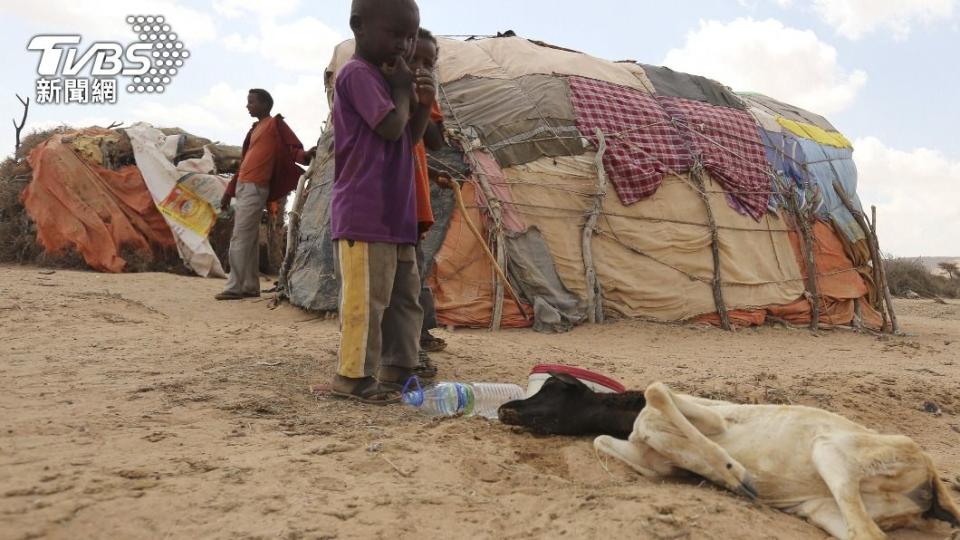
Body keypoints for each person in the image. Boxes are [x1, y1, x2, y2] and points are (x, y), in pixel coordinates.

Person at [330, 0, 435, 404]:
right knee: (367, 302)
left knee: (404, 299)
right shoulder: (358, 74)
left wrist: (422, 106)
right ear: (358, 25)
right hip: (365, 212)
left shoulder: (386, 77)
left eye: (411, 36)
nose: (405, 45)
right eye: (396, 34)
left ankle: (400, 366)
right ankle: (352, 377)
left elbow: (408, 139)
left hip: (396, 214)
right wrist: (402, 89)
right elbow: (391, 129)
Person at [215, 89, 316, 301]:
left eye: (251, 102)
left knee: (240, 235)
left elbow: (292, 148)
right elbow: (244, 163)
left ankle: (234, 286)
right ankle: (250, 286)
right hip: (244, 184)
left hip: (256, 186)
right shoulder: (253, 130)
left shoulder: (275, 124)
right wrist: (229, 191)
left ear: (264, 104)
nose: (247, 106)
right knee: (249, 237)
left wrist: (305, 156)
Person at [410, 28, 446, 379]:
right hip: (384, 201)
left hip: (414, 199)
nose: (420, 68)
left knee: (413, 272)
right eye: (414, 59)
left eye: (428, 63)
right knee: (396, 279)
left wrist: (425, 102)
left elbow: (432, 141)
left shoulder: (424, 95)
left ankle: (416, 338)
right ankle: (404, 347)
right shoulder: (376, 86)